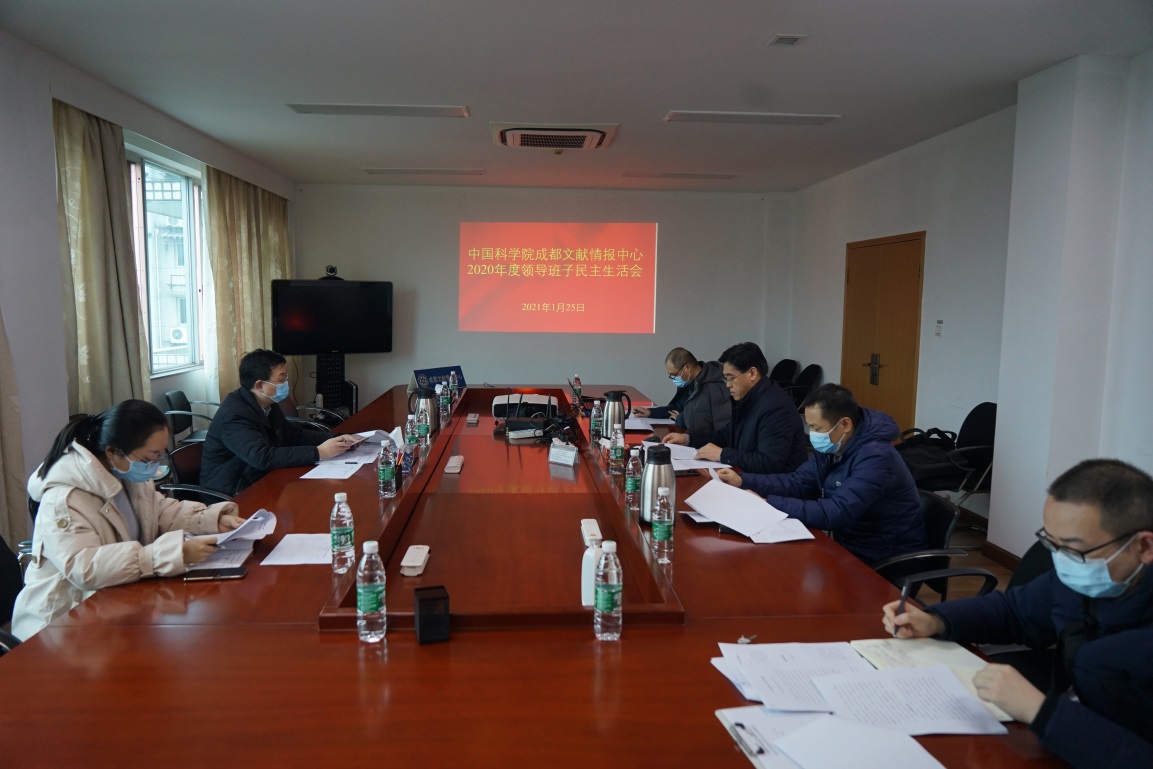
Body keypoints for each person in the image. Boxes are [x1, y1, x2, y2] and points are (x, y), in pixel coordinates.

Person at [883, 459, 1153, 769]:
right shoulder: (1082, 581)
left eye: (1073, 550)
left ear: (1144, 547)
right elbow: (1015, 610)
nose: (1061, 562)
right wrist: (936, 619)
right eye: (1052, 543)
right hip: (1068, 731)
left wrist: (1039, 711)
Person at [11, 399, 245, 640]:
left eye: (160, 456)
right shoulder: (64, 499)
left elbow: (160, 511)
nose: (154, 467)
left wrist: (210, 519)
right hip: (61, 625)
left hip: (113, 602)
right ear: (113, 451)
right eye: (149, 459)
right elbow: (84, 567)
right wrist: (175, 553)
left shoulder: (126, 473)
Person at [718, 383, 926, 564]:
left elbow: (837, 511)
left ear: (845, 424)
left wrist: (768, 503)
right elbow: (797, 482)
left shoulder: (877, 457)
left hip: (885, 554)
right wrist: (743, 480)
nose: (813, 435)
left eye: (817, 428)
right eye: (809, 427)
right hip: (850, 543)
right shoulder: (833, 445)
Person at [201, 348, 355, 496]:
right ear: (260, 385)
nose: (286, 383)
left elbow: (294, 435)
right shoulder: (234, 415)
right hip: (233, 492)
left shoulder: (267, 403)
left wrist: (338, 439)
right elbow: (262, 457)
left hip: (258, 478)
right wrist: (319, 452)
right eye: (282, 379)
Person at [665, 341, 806, 474]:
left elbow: (768, 462)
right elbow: (725, 435)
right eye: (725, 378)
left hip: (777, 485)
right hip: (749, 477)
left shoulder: (776, 407)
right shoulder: (746, 399)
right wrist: (688, 439)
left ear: (752, 373)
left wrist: (722, 454)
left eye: (731, 378)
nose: (727, 385)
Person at [633, 347, 731, 437]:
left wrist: (680, 419)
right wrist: (651, 412)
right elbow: (678, 407)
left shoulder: (715, 386)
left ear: (687, 368)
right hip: (693, 439)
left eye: (674, 374)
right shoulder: (690, 381)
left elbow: (708, 422)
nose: (674, 378)